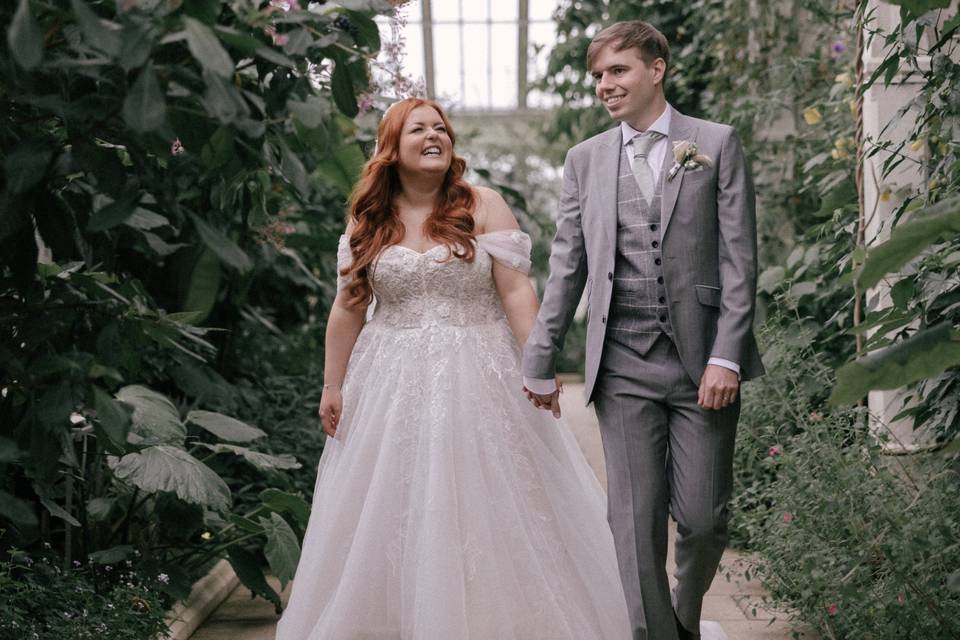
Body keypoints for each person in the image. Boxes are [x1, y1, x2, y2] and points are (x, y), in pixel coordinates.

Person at [275, 98, 631, 639]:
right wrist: (332, 383)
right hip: (388, 379)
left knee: (491, 499)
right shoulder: (368, 219)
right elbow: (348, 306)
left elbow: (516, 291)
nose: (434, 136)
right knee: (391, 503)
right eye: (419, 129)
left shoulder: (481, 204)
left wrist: (538, 363)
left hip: (481, 372)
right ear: (392, 148)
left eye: (440, 127)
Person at [522, 21, 764, 640]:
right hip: (623, 362)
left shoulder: (714, 143)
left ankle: (682, 616)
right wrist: (540, 358)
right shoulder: (584, 160)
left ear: (657, 69)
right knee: (633, 522)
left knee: (705, 519)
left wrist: (727, 357)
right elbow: (567, 266)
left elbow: (740, 260)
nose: (605, 85)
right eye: (598, 75)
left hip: (701, 360)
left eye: (618, 70)